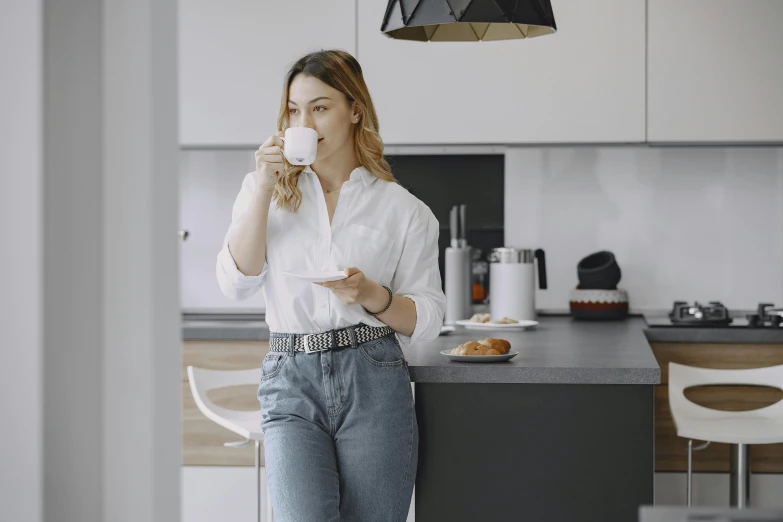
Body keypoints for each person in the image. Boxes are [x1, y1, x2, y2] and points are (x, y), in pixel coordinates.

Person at [216, 49, 446, 522]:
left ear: (355, 110)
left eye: (320, 107)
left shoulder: (404, 210)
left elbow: (428, 319)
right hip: (289, 375)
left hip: (373, 375)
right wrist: (263, 186)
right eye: (294, 110)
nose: (305, 121)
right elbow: (235, 283)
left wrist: (371, 295)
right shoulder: (263, 192)